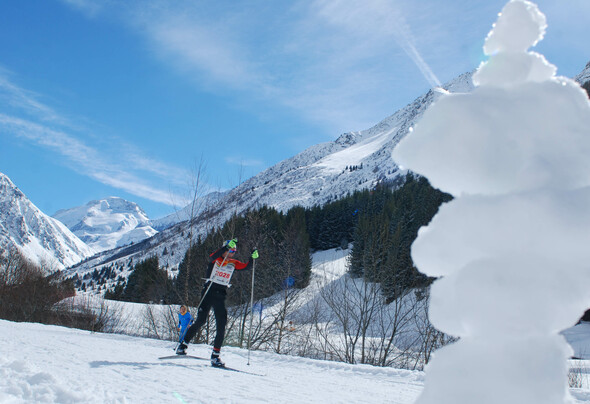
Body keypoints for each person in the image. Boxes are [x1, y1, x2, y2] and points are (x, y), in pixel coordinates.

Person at [176, 238, 259, 368]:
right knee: (201, 320)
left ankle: (215, 356)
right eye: (230, 250)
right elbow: (211, 257)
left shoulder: (233, 263)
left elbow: (247, 266)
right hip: (209, 291)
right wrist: (225, 248)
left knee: (222, 323)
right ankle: (183, 345)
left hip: (220, 295)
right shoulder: (216, 259)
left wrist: (252, 258)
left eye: (234, 251)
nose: (231, 253)